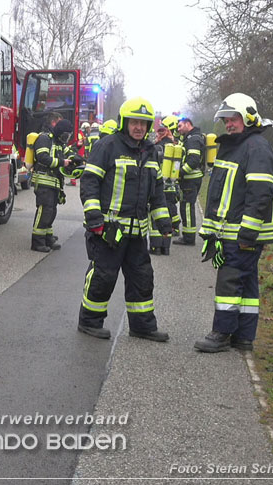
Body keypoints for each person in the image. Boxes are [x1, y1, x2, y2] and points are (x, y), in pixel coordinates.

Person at [77, 97, 171, 342]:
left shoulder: (150, 152)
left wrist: (163, 222)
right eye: (134, 122)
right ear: (124, 122)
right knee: (103, 277)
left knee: (142, 278)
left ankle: (142, 326)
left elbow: (157, 191)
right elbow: (89, 182)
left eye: (144, 123)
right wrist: (94, 218)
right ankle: (89, 322)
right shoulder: (107, 146)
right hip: (109, 232)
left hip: (138, 233)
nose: (139, 127)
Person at [194, 93, 273, 352]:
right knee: (247, 281)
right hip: (233, 231)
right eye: (226, 120)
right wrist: (210, 231)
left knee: (230, 281)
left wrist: (248, 231)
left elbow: (260, 192)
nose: (229, 124)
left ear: (249, 118)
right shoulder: (235, 146)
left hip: (242, 233)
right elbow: (221, 192)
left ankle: (221, 332)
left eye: (234, 119)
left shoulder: (256, 147)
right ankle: (243, 337)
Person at [31, 118, 76, 252]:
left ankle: (48, 238)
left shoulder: (59, 142)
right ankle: (37, 242)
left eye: (68, 136)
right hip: (44, 180)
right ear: (60, 131)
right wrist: (62, 163)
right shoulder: (45, 139)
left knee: (51, 211)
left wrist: (76, 159)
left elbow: (69, 153)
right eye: (65, 135)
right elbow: (42, 157)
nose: (66, 138)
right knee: (44, 210)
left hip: (54, 182)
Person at [148, 115, 180, 255]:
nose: (158, 133)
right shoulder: (176, 146)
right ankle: (166, 247)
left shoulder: (157, 147)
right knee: (167, 216)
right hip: (172, 186)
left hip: (159, 186)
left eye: (160, 131)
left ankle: (155, 247)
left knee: (156, 216)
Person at [173, 117, 205, 245]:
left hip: (190, 179)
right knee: (186, 206)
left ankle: (189, 237)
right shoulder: (191, 137)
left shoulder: (193, 139)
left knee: (186, 207)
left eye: (180, 126)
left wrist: (179, 173)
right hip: (191, 178)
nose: (178, 129)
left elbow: (193, 160)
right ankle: (188, 235)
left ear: (188, 124)